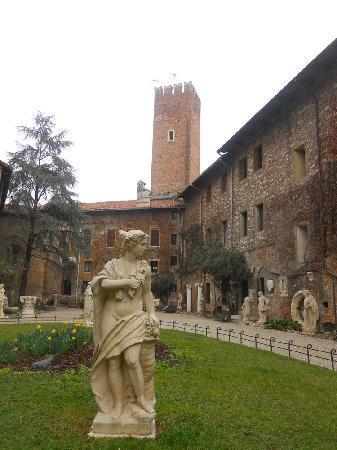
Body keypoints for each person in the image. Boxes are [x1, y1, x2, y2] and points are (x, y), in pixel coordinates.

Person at [90, 230, 159, 419]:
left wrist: (152, 314)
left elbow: (147, 294)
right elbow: (101, 284)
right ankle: (118, 404)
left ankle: (141, 399)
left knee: (131, 360)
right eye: (142, 245)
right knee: (113, 362)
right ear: (131, 245)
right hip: (111, 316)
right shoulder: (113, 265)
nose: (145, 249)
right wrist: (127, 282)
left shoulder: (144, 269)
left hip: (134, 317)